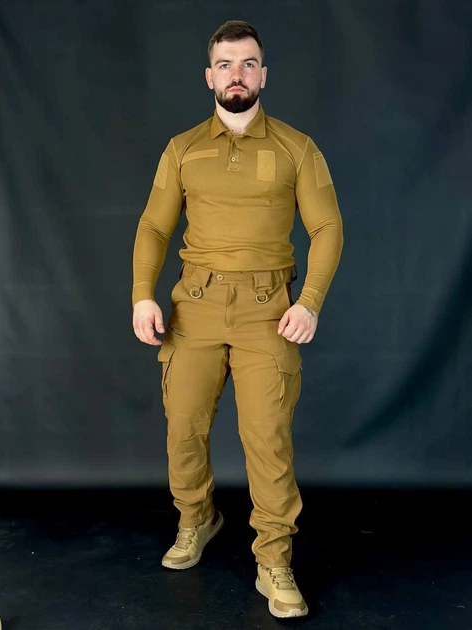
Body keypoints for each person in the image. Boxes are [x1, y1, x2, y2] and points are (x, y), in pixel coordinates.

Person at [132, 20, 343, 619]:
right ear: (209, 77)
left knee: (267, 438)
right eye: (225, 64)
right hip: (194, 306)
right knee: (183, 427)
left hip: (267, 310)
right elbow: (154, 226)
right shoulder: (183, 149)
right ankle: (196, 519)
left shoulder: (296, 148)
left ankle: (273, 560)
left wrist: (310, 302)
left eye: (248, 64)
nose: (237, 75)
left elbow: (327, 227)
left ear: (263, 75)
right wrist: (142, 295)